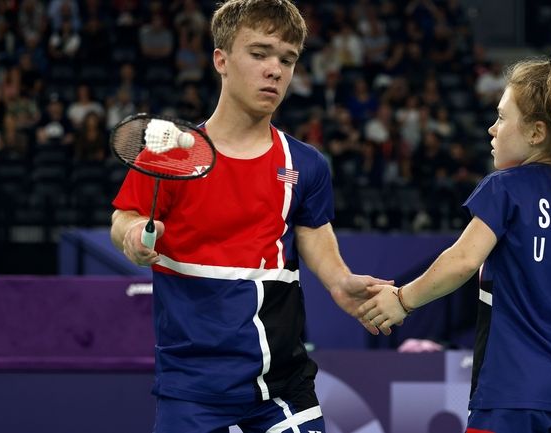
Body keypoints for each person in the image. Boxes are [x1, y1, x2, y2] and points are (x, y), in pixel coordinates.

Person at [109, 1, 389, 432]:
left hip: (282, 389)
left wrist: (339, 281)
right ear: (221, 59)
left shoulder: (305, 164)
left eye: (287, 59)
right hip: (193, 391)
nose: (275, 70)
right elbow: (125, 217)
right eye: (259, 54)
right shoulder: (170, 156)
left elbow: (312, 231)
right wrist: (131, 234)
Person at [359, 46, 551, 432]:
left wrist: (404, 300)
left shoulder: (505, 189)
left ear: (536, 133)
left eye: (501, 117)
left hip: (511, 392)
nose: (492, 129)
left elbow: (462, 261)